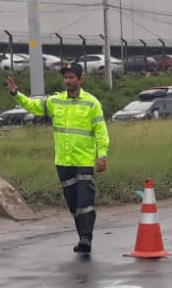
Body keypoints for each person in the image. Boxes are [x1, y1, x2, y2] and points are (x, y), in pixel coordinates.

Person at [7, 63, 110, 253]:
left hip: (84, 162)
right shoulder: (55, 101)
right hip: (63, 162)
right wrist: (16, 94)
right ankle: (82, 238)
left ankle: (86, 238)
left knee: (84, 202)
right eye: (66, 78)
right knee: (73, 204)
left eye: (72, 77)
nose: (68, 81)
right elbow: (34, 106)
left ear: (80, 79)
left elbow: (101, 132)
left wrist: (102, 155)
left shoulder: (92, 103)